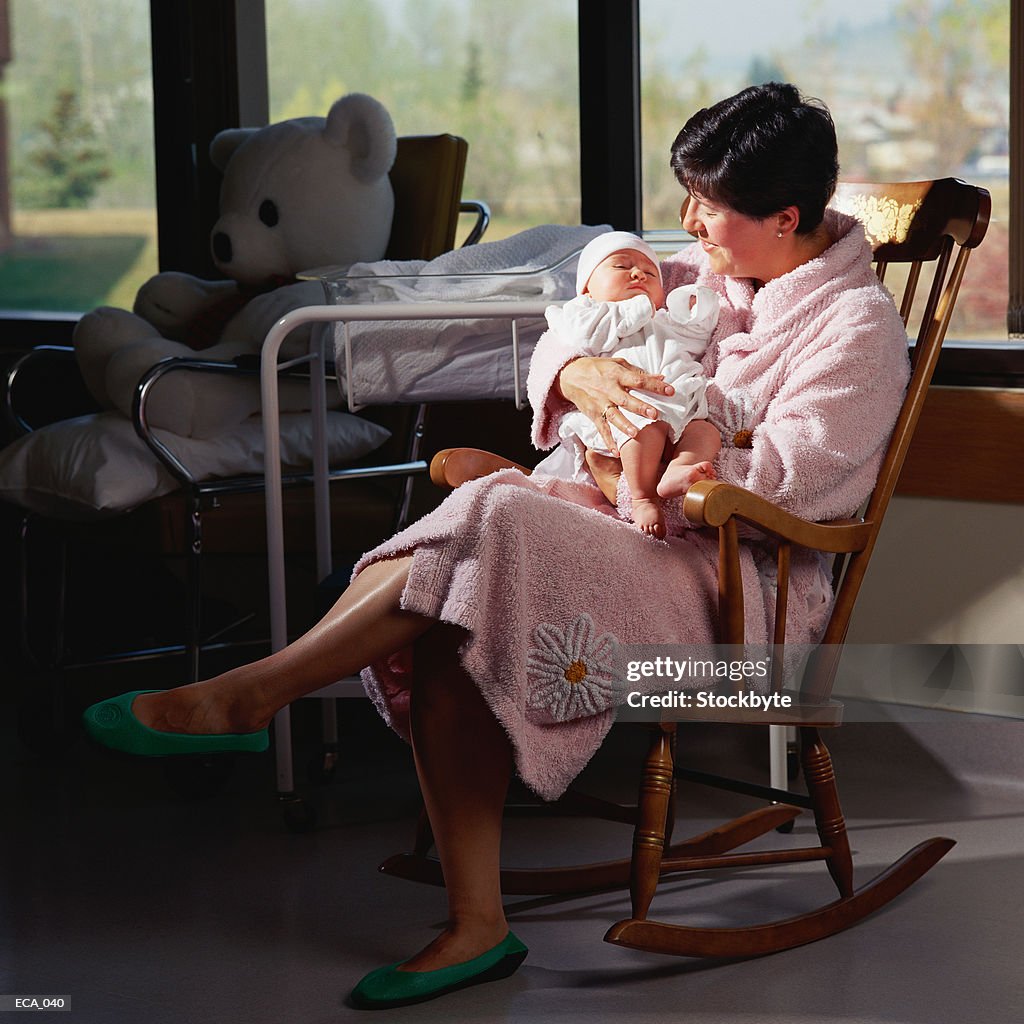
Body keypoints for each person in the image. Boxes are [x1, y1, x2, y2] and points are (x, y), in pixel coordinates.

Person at [82, 83, 911, 1010]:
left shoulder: (857, 330)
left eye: (708, 210)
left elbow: (802, 482)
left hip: (740, 596)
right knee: (468, 572)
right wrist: (580, 367)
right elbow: (574, 327)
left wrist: (661, 460)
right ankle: (474, 922)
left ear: (787, 217)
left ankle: (254, 695)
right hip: (626, 529)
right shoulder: (704, 273)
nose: (687, 224)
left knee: (498, 514)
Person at [549, 230, 721, 537]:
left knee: (705, 431)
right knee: (646, 426)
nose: (638, 273)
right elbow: (585, 337)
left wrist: (697, 307)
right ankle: (643, 497)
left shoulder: (661, 320)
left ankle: (680, 468)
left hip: (681, 401)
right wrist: (641, 306)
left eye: (650, 273)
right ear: (587, 288)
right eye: (621, 266)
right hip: (633, 407)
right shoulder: (584, 312)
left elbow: (696, 338)